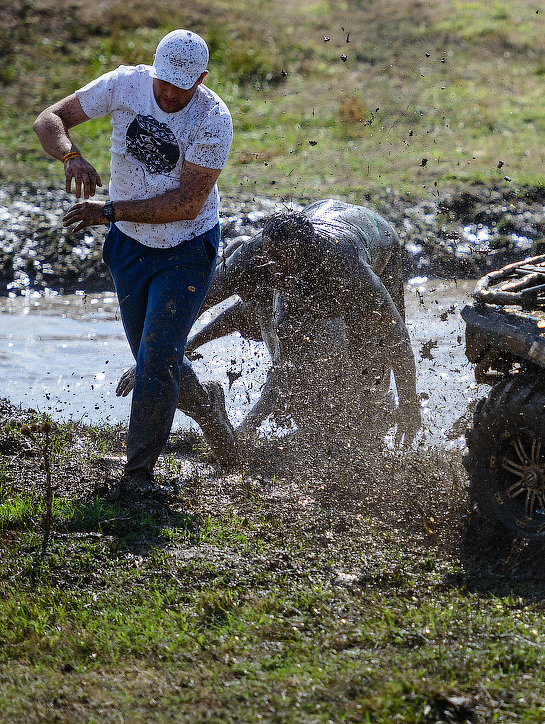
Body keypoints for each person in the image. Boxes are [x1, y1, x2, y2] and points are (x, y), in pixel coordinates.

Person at [34, 28, 237, 493]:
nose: (168, 93)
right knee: (151, 357)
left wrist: (106, 211)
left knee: (158, 359)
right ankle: (212, 413)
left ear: (201, 79)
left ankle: (139, 475)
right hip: (129, 248)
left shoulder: (212, 119)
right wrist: (71, 156)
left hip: (186, 247)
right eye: (163, 81)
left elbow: (187, 202)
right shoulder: (124, 84)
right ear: (153, 67)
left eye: (180, 86)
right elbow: (49, 120)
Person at [198, 200, 422, 447]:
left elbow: (396, 336)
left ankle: (371, 431)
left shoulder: (346, 266)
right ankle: (313, 432)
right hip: (316, 235)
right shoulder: (253, 254)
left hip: (378, 243)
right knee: (289, 347)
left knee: (369, 356)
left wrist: (410, 404)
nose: (277, 268)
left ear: (308, 251)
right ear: (265, 248)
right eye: (272, 258)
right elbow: (200, 299)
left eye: (286, 259)